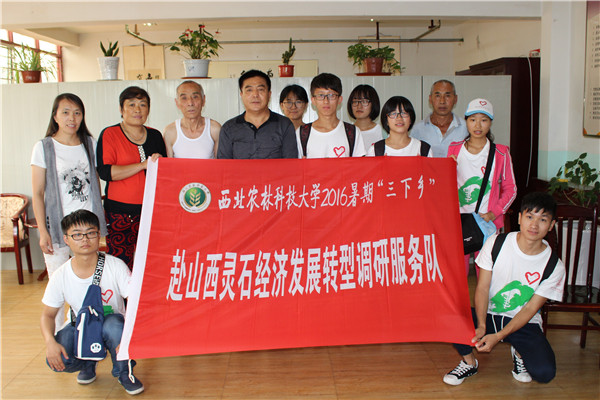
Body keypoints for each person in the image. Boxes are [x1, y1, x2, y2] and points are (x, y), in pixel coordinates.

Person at [443, 192, 565, 386]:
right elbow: (482, 288)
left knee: (544, 373)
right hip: (490, 315)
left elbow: (529, 309)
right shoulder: (496, 243)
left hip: (524, 322)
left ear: (551, 225)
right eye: (530, 217)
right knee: (450, 315)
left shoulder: (554, 266)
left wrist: (498, 337)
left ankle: (519, 353)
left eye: (543, 219)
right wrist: (481, 325)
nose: (534, 225)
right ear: (520, 218)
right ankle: (469, 362)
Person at [40, 210, 144, 395]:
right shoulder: (61, 275)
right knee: (59, 358)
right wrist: (50, 342)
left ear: (99, 235)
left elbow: (137, 303)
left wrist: (130, 336)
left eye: (91, 233)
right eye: (77, 235)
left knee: (115, 326)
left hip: (112, 324)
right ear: (66, 239)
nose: (85, 239)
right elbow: (47, 315)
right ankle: (88, 362)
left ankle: (124, 372)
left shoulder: (116, 266)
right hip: (81, 327)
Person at [31, 93, 107, 330]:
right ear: (55, 116)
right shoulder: (43, 147)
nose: (71, 118)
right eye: (65, 112)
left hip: (88, 228)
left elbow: (96, 183)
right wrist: (43, 232)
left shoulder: (90, 143)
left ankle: (84, 333)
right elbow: (38, 193)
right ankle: (56, 337)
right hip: (58, 227)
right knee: (57, 284)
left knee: (87, 283)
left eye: (77, 113)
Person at [96, 86, 167, 270]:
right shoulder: (110, 134)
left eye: (143, 105)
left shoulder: (155, 135)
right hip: (119, 213)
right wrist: (142, 165)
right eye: (132, 104)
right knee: (120, 265)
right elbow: (106, 172)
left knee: (152, 263)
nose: (138, 110)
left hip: (151, 212)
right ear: (121, 109)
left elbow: (165, 173)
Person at [447, 98, 517, 274]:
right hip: (458, 221)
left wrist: (494, 213)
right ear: (466, 121)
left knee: (485, 273)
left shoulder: (500, 152)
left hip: (486, 222)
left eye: (483, 120)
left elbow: (511, 189)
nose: (478, 125)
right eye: (473, 119)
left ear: (490, 122)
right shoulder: (454, 149)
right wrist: (447, 167)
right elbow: (444, 185)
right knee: (458, 273)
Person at [217, 70, 298, 159]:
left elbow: (290, 163)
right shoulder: (228, 128)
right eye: (249, 90)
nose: (255, 95)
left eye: (260, 89)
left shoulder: (284, 125)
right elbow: (224, 165)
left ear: (269, 94)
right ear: (241, 95)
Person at [297, 73, 366, 158]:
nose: (326, 101)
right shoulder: (302, 133)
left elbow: (360, 165)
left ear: (339, 99)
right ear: (313, 100)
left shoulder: (353, 132)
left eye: (331, 95)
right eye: (321, 95)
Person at [163, 80, 221, 159]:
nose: (190, 103)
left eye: (195, 97)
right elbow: (167, 165)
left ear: (203, 100)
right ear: (177, 103)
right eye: (184, 98)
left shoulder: (215, 129)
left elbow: (220, 163)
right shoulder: (170, 131)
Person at [410, 79, 468, 157]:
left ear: (455, 99)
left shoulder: (466, 129)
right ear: (430, 99)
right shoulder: (417, 130)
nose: (442, 101)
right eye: (437, 96)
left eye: (447, 96)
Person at [366, 96, 432, 157]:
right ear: (386, 120)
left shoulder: (423, 149)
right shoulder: (375, 151)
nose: (399, 118)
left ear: (411, 119)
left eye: (404, 113)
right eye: (393, 114)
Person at [347, 84, 383, 151]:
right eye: (355, 101)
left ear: (374, 104)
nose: (359, 106)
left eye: (364, 101)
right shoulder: (346, 132)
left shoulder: (382, 132)